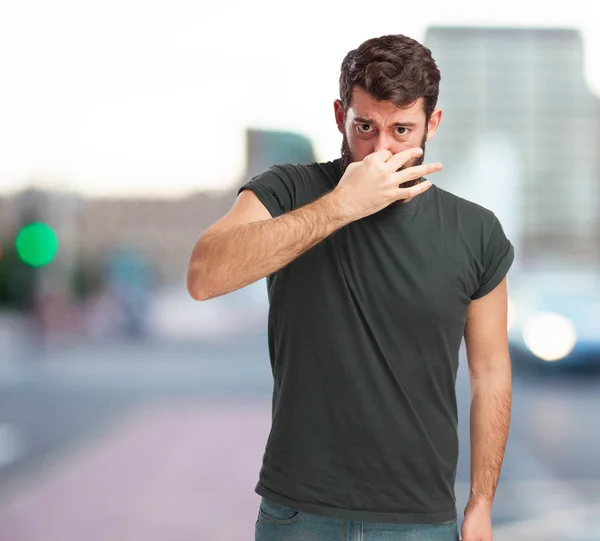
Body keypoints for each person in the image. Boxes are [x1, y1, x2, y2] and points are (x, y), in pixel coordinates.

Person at [187, 34, 514, 541]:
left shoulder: (477, 232)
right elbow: (204, 276)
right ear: (341, 114)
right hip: (298, 515)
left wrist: (482, 503)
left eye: (401, 130)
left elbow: (490, 372)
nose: (380, 149)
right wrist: (343, 206)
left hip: (421, 520)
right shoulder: (289, 189)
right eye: (365, 127)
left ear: (433, 123)